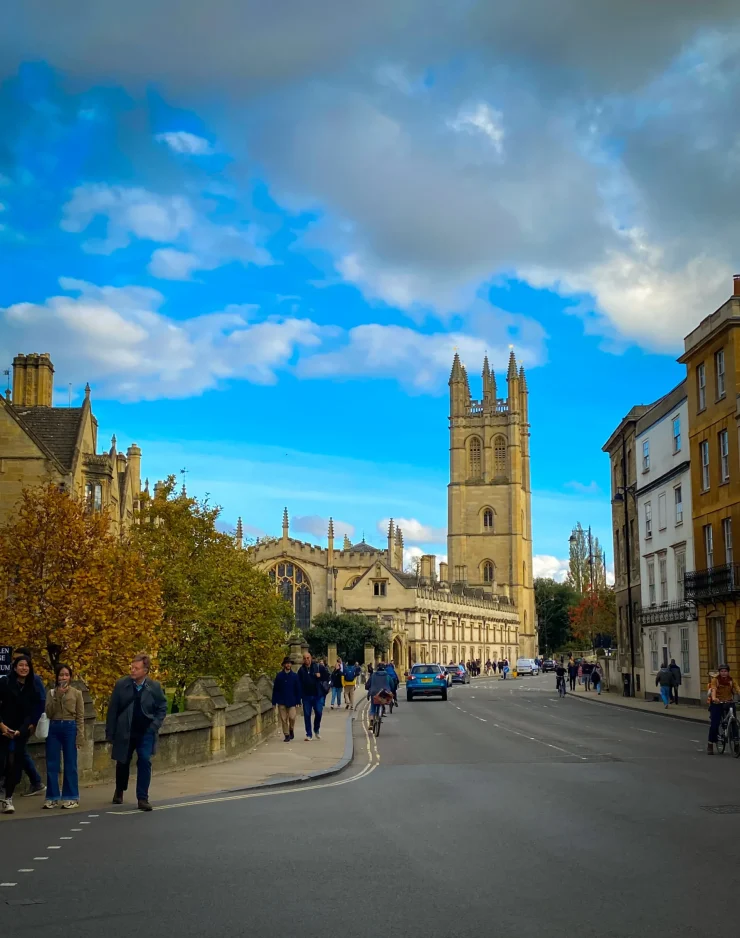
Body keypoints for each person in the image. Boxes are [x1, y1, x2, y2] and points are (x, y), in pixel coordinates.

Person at [105, 653, 167, 812]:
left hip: (146, 732)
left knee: (145, 761)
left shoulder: (154, 687)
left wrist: (154, 726)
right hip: (125, 731)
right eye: (131, 667)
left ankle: (142, 798)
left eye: (136, 668)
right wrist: (110, 733)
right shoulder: (121, 685)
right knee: (122, 762)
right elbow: (113, 710)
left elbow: (162, 708)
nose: (132, 670)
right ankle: (119, 789)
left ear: (145, 670)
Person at [0, 655, 38, 814]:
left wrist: (21, 730)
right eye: (21, 665)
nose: (24, 668)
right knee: (1, 762)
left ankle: (8, 798)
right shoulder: (4, 683)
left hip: (20, 731)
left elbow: (31, 712)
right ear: (15, 668)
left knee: (16, 766)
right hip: (3, 728)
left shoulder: (32, 687)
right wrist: (1, 726)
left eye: (27, 665)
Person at [44, 663, 85, 809]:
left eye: (66, 675)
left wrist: (80, 736)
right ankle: (52, 796)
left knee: (70, 763)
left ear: (70, 677)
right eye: (61, 675)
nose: (64, 677)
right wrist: (58, 696)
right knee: (52, 763)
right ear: (57, 677)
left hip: (70, 727)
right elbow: (48, 713)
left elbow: (80, 717)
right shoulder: (51, 693)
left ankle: (71, 796)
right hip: (54, 727)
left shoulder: (77, 693)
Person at [11, 646, 46, 798]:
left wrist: (34, 721)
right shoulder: (10, 678)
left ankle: (35, 781)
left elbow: (42, 701)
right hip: (12, 721)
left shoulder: (35, 680)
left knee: (17, 750)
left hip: (26, 723)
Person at [707, 664, 740, 754]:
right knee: (715, 723)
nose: (723, 673)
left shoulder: (731, 681)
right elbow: (713, 689)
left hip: (729, 702)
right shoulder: (715, 680)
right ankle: (710, 744)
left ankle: (736, 743)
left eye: (725, 671)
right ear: (719, 672)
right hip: (717, 702)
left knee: (734, 723)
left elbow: (737, 689)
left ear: (728, 672)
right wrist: (714, 698)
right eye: (722, 671)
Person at [297, 652, 330, 741]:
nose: (306, 660)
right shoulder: (301, 670)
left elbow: (328, 677)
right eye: (305, 658)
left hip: (318, 695)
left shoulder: (319, 667)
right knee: (307, 715)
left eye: (308, 658)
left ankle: (316, 729)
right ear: (303, 660)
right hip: (306, 696)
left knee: (319, 713)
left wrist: (320, 676)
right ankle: (309, 734)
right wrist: (299, 697)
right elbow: (299, 684)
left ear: (311, 658)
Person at [271, 657, 302, 742]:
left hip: (292, 701)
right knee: (283, 719)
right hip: (281, 701)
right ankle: (286, 734)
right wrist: (274, 701)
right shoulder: (279, 676)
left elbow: (298, 689)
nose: (288, 665)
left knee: (292, 717)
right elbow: (275, 689)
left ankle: (291, 729)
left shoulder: (294, 676)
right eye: (287, 663)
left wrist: (298, 700)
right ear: (284, 665)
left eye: (289, 663)